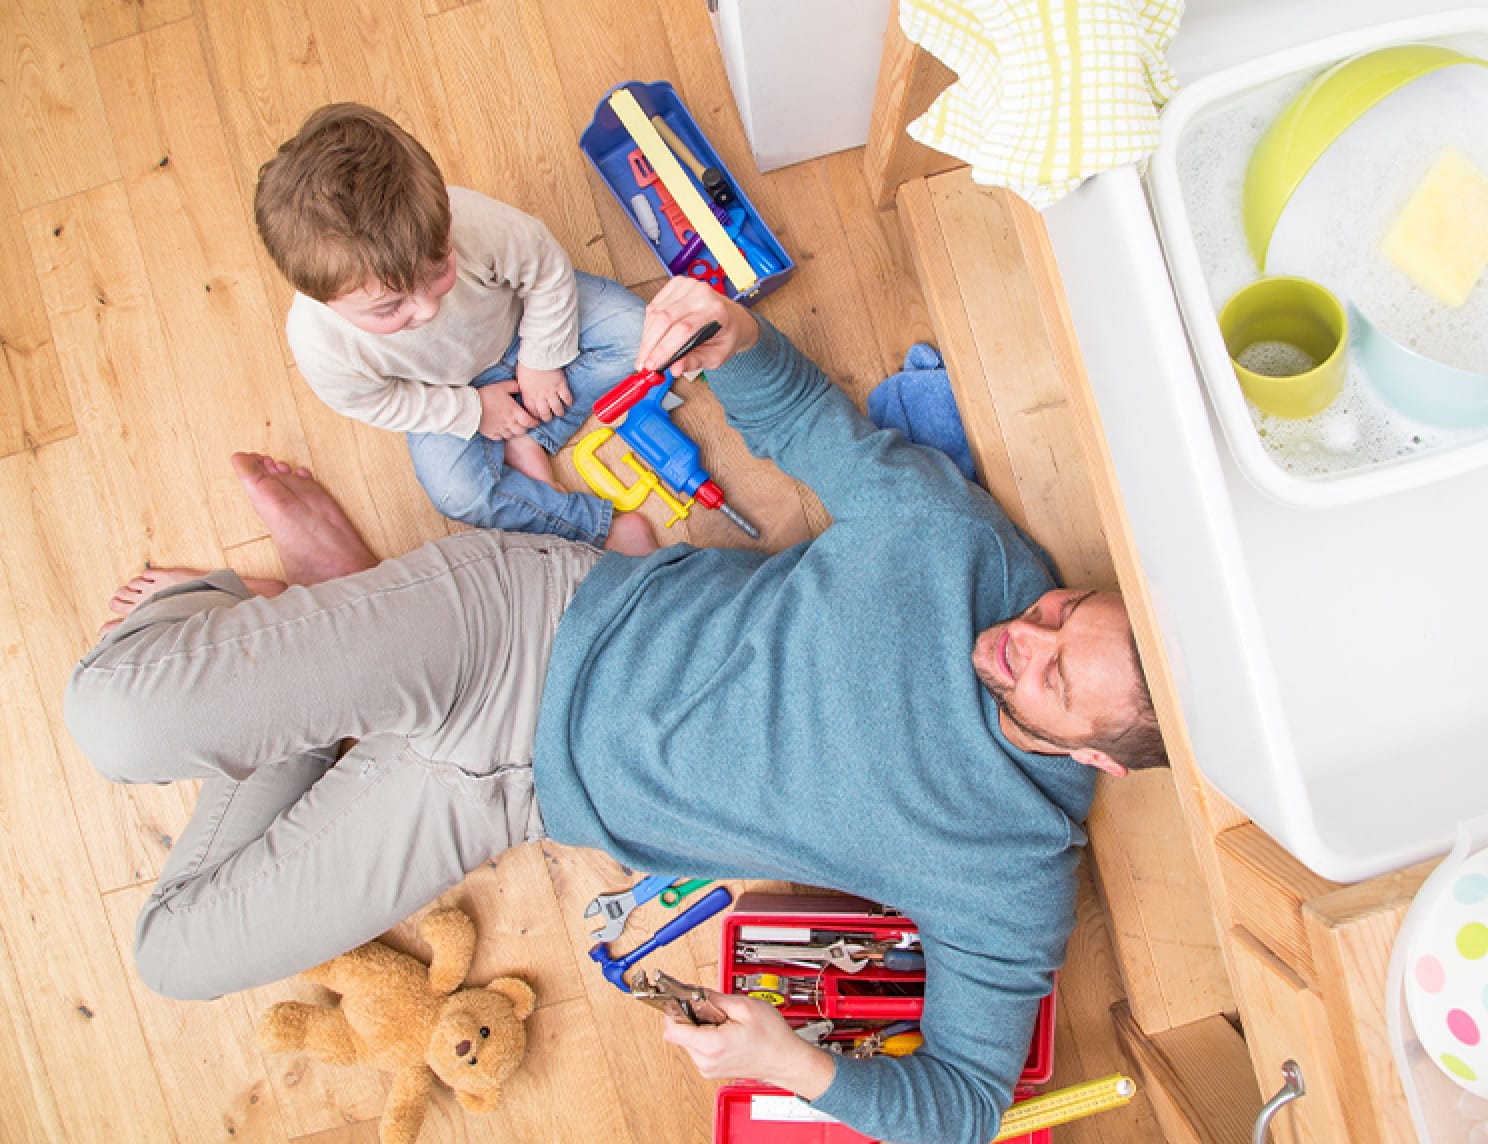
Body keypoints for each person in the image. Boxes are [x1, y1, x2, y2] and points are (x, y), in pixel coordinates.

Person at [66, 278, 1166, 1144]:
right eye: (1069, 608)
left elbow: (968, 1106)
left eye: (1055, 677)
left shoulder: (1012, 872)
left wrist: (792, 1064)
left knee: (174, 955)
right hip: (517, 625)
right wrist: (730, 336)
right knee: (110, 720)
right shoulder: (969, 550)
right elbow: (806, 423)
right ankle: (255, 613)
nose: (1029, 633)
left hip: (505, 795)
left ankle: (330, 607)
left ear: (1101, 762)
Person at [255, 102, 653, 553]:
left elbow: (544, 269)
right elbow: (379, 402)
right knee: (455, 493)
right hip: (442, 390)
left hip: (521, 320)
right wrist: (471, 411)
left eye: (439, 269)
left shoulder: (469, 222)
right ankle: (591, 525)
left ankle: (530, 433)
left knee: (637, 330)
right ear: (326, 301)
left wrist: (543, 358)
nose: (427, 309)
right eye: (390, 308)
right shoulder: (321, 344)